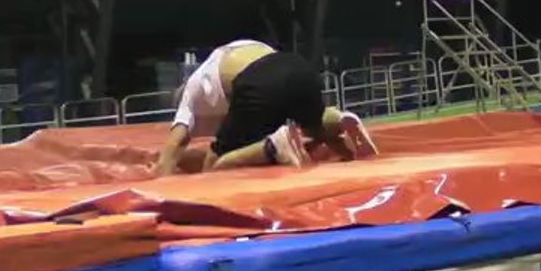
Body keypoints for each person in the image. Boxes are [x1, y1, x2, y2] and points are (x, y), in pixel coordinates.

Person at [156, 40, 378, 176]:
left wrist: (162, 184)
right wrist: (346, 157)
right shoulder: (234, 49)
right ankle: (342, 121)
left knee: (215, 167)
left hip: (259, 80)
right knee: (314, 127)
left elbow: (174, 143)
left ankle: (271, 147)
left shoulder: (191, 93)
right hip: (296, 66)